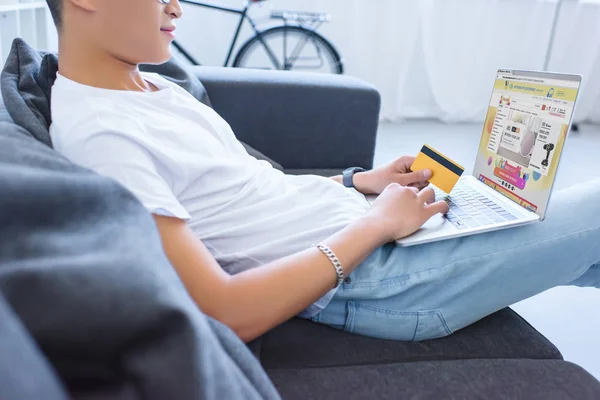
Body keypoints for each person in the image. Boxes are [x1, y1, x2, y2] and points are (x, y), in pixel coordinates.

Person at [47, 0, 600, 343]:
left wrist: (360, 183)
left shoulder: (152, 84)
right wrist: (378, 225)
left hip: (375, 240)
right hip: (378, 285)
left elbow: (245, 192)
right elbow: (224, 310)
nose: (177, 7)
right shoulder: (102, 133)